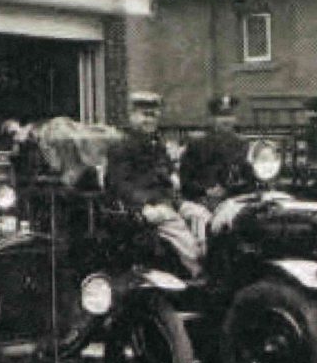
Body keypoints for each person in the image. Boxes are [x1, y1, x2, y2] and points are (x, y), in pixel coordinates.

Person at [105, 92, 203, 276]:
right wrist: (144, 205)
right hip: (142, 206)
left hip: (166, 200)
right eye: (143, 115)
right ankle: (196, 272)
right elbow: (120, 184)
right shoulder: (122, 147)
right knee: (180, 230)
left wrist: (173, 182)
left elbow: (165, 174)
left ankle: (208, 264)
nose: (148, 120)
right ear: (132, 116)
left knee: (202, 216)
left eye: (152, 115)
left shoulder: (156, 146)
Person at [178, 94, 254, 245]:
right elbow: (185, 181)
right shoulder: (197, 145)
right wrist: (206, 191)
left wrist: (235, 190)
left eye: (230, 115)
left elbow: (250, 179)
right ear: (212, 119)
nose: (226, 120)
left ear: (235, 119)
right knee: (207, 232)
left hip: (234, 200)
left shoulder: (243, 145)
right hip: (204, 201)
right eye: (221, 116)